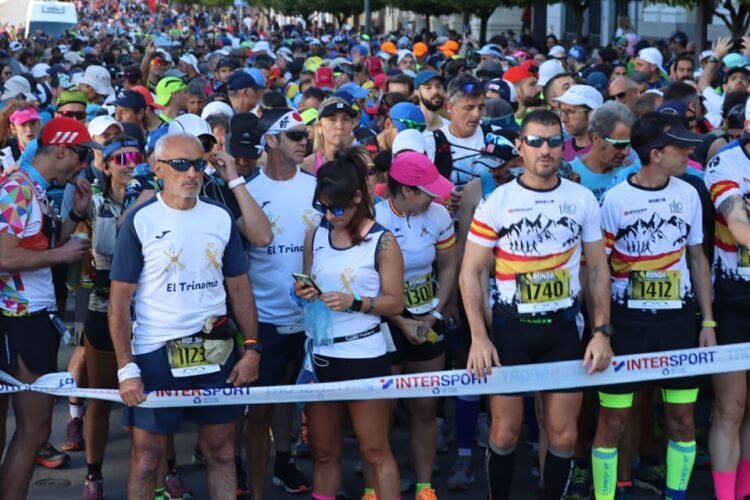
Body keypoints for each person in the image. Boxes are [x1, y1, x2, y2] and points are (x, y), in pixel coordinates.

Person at [459, 110, 613, 500]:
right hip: (512, 329)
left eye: (553, 141)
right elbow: (470, 272)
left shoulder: (580, 199)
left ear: (563, 146)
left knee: (564, 433)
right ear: (520, 148)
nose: (545, 150)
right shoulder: (500, 201)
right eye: (536, 142)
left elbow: (597, 269)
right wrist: (479, 336)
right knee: (504, 431)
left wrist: (601, 332)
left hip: (563, 328)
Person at [108, 133, 261, 498]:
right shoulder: (141, 220)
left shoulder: (220, 216)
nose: (191, 173)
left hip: (215, 349)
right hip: (156, 350)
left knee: (222, 452)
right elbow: (118, 301)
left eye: (198, 164)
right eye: (180, 165)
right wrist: (127, 367)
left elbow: (239, 288)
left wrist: (252, 348)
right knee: (148, 457)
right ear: (158, 169)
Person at [593, 112, 715, 500]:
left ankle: (676, 496)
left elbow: (697, 259)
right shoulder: (614, 199)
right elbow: (598, 269)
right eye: (680, 145)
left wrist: (707, 322)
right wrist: (603, 330)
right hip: (627, 324)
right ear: (655, 154)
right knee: (613, 423)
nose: (688, 151)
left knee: (682, 420)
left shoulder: (689, 193)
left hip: (678, 322)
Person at [293, 148, 404, 500]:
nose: (330, 215)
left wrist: (354, 301)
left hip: (364, 354)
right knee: (323, 453)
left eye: (336, 208)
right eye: (322, 208)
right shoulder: (316, 234)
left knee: (374, 451)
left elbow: (396, 301)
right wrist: (303, 291)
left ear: (358, 197)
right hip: (321, 355)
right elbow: (308, 280)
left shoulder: (382, 240)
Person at [0, 117, 100, 500]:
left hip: (30, 318)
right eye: (81, 156)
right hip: (20, 320)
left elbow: (36, 245)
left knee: (31, 430)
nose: (83, 165)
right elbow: (5, 255)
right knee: (36, 429)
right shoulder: (17, 188)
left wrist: (75, 214)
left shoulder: (34, 188)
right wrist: (62, 253)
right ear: (61, 150)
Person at [375, 151, 457, 500]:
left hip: (426, 319)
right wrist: (400, 320)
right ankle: (375, 485)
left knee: (426, 408)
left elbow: (449, 265)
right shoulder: (374, 218)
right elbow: (365, 282)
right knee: (382, 413)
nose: (436, 198)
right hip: (384, 323)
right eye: (428, 191)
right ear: (406, 190)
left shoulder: (438, 215)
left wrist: (435, 314)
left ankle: (424, 486)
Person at [244, 109, 317, 499]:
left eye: (305, 134)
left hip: (311, 320)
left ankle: (285, 462)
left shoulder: (316, 186)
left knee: (302, 403)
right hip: (265, 321)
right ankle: (256, 490)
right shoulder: (249, 191)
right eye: (294, 135)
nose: (303, 140)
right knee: (259, 413)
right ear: (270, 141)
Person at [80, 134, 144, 499]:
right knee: (102, 398)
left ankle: (165, 470)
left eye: (134, 155)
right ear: (105, 167)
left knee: (152, 397)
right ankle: (93, 474)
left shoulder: (153, 199)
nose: (129, 162)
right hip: (103, 308)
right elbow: (104, 248)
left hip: (145, 312)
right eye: (119, 158)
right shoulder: (93, 201)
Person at [704, 102, 750, 500]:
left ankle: (744, 490)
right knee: (731, 408)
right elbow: (737, 224)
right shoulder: (726, 163)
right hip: (734, 295)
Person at [570, 101, 637, 202]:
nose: (626, 152)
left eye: (630, 144)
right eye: (619, 145)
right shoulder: (570, 174)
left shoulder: (632, 171)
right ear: (596, 138)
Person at [303, 96, 356, 173]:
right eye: (332, 119)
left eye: (345, 119)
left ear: (352, 125)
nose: (340, 126)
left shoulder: (363, 165)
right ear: (319, 127)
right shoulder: (305, 168)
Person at [555, 85, 603, 162]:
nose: (563, 119)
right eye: (562, 111)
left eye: (571, 112)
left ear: (592, 114)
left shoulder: (606, 152)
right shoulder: (560, 150)